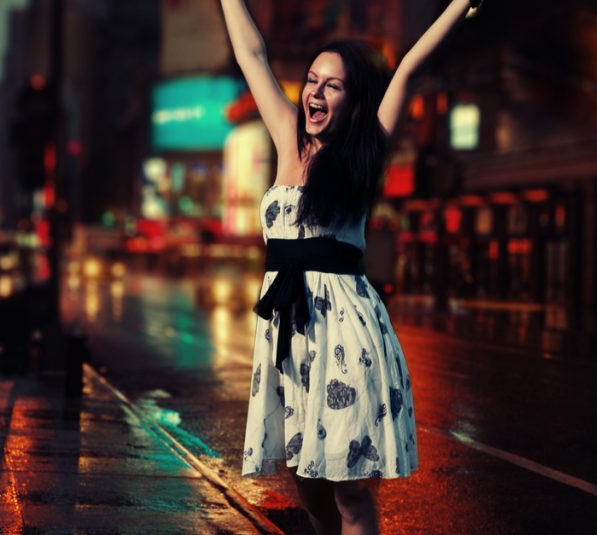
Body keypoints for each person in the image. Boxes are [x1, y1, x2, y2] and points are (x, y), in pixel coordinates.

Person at [220, 1, 481, 533]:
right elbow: (251, 54)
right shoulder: (288, 136)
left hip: (344, 332)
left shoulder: (367, 149)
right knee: (306, 481)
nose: (314, 93)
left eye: (331, 86)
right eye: (312, 81)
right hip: (289, 334)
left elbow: (409, 66)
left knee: (349, 493)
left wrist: (458, 4)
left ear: (353, 99)